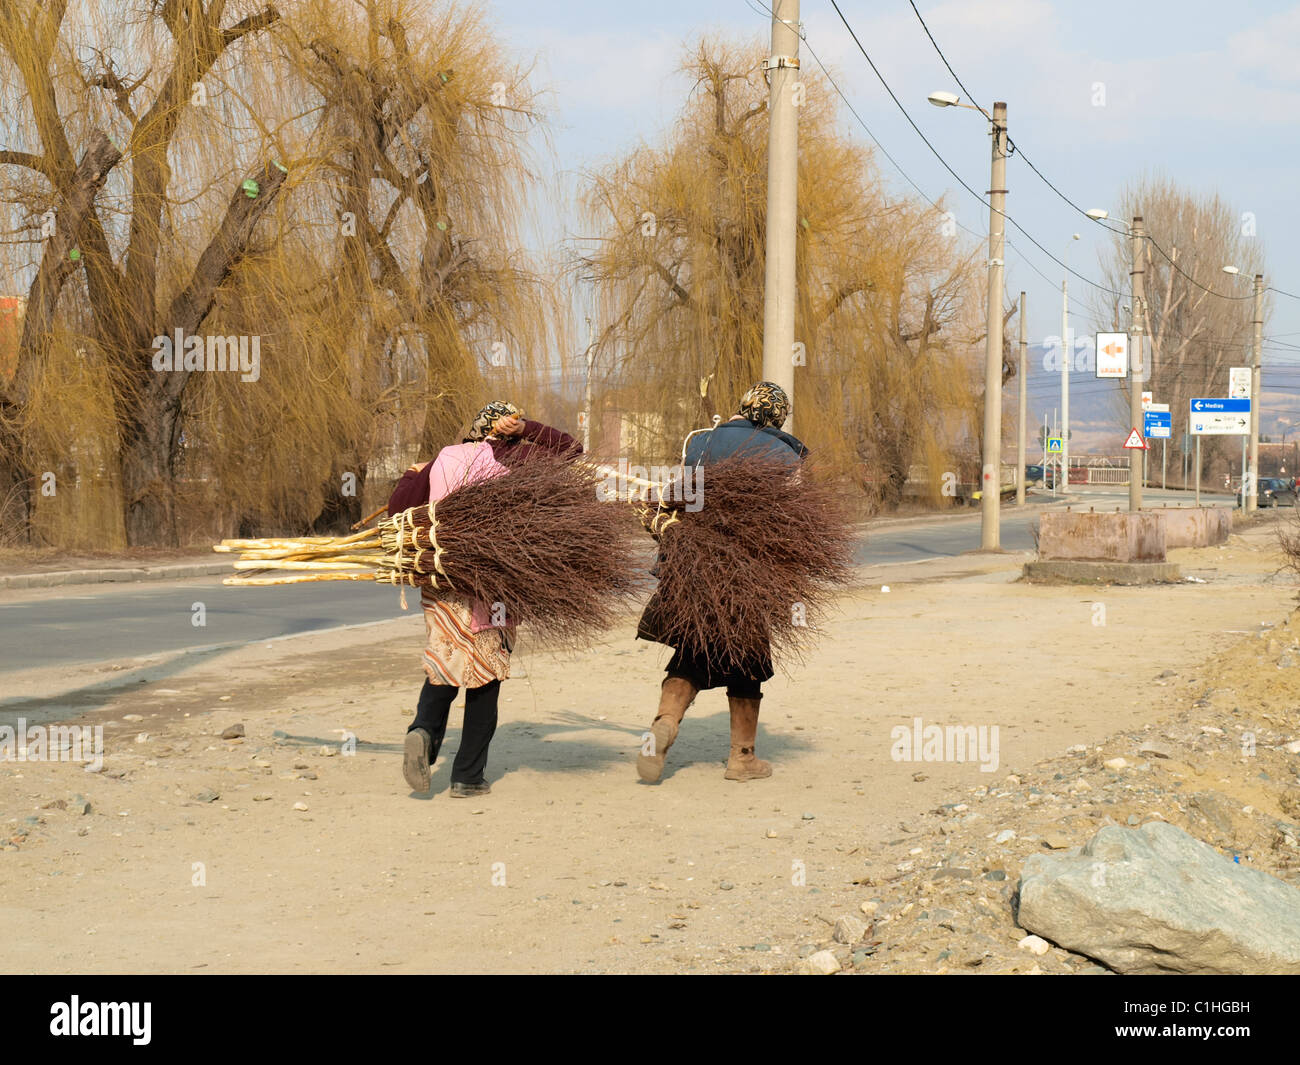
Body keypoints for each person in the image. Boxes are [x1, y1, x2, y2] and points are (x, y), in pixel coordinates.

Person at [389, 402, 581, 798]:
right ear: (512, 427)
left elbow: (397, 512)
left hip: (443, 578)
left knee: (445, 660)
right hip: (496, 586)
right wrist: (530, 429)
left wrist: (413, 473)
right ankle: (467, 777)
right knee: (486, 676)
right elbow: (573, 450)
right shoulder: (525, 457)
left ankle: (423, 731)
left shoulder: (444, 459)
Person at [635, 381, 807, 785]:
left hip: (694, 570)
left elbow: (680, 499)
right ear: (776, 416)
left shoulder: (700, 442)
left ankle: (665, 723)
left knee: (692, 653)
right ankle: (742, 759)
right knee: (746, 662)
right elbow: (790, 524)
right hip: (747, 575)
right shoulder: (784, 454)